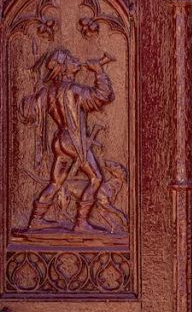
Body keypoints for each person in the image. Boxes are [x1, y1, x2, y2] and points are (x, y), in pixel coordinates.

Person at [20, 46, 125, 232]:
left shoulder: (49, 91)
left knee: (56, 183)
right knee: (96, 178)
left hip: (60, 141)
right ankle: (81, 222)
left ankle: (36, 219)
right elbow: (103, 96)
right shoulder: (74, 90)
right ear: (63, 68)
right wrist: (99, 72)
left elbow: (29, 109)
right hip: (75, 142)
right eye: (70, 59)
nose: (75, 60)